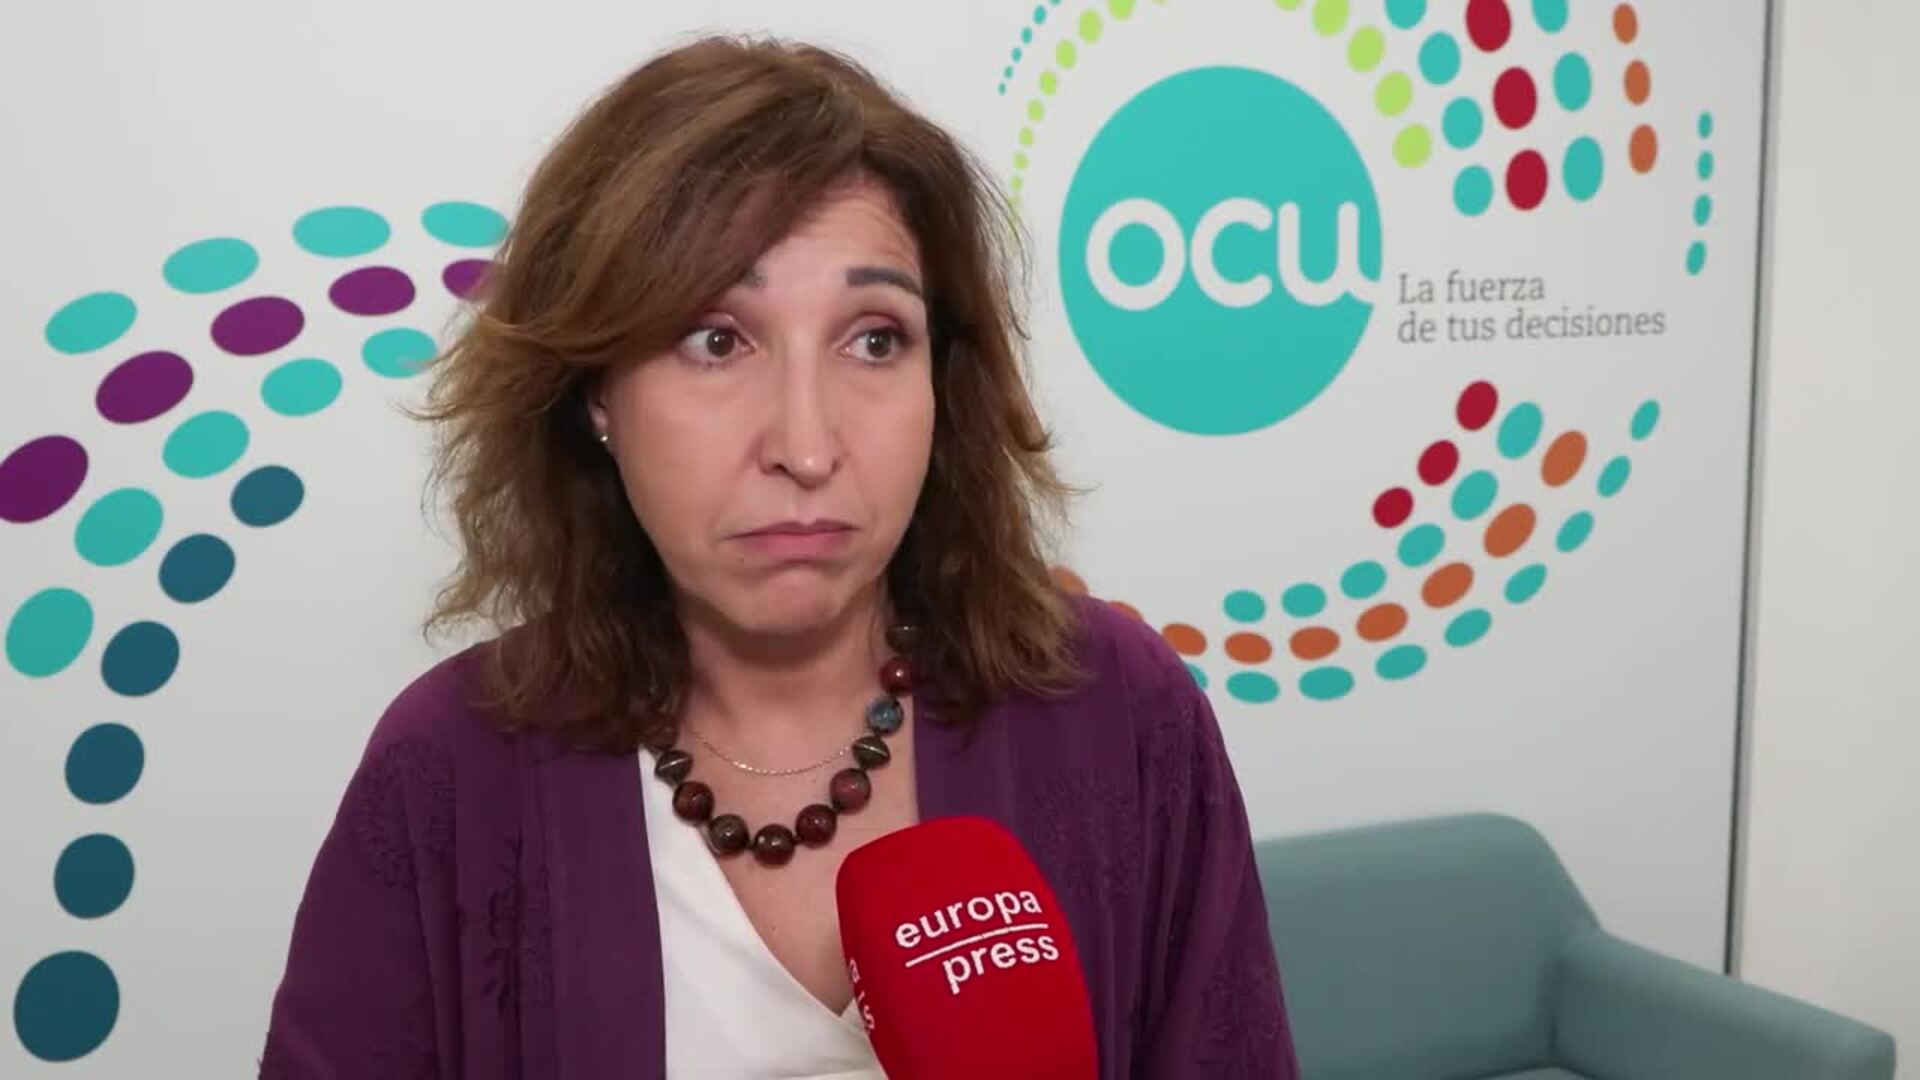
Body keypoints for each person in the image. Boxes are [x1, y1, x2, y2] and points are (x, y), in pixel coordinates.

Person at [259, 35, 1296, 1080]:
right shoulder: (451, 769)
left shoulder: (1119, 712)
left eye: (875, 338)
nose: (805, 447)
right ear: (595, 392)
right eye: (716, 340)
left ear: (945, 382)